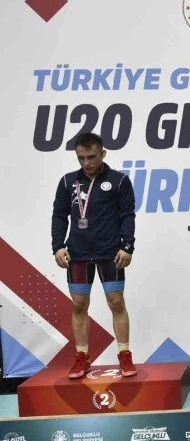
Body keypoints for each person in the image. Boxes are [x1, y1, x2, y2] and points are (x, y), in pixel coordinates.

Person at [51, 132, 137, 379]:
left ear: (103, 154)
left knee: (116, 302)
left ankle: (124, 356)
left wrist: (127, 246)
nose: (86, 162)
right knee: (79, 305)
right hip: (77, 254)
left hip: (110, 253)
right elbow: (59, 215)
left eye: (91, 157)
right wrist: (58, 246)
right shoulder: (67, 182)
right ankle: (82, 358)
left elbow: (127, 215)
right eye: (81, 158)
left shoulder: (119, 181)